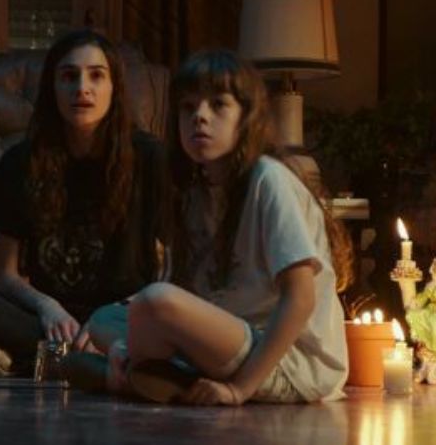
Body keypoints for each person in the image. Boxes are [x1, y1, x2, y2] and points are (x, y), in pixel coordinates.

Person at [0, 29, 168, 377]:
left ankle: (40, 358)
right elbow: (5, 275)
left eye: (96, 76)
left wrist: (114, 317)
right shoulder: (21, 161)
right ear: (52, 87)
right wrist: (47, 306)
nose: (82, 88)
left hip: (121, 317)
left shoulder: (150, 157)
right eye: (69, 76)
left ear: (115, 88)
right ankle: (76, 360)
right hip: (48, 322)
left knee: (164, 321)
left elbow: (171, 271)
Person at [121, 50, 353, 405]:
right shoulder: (193, 194)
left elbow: (301, 297)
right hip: (228, 342)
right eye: (187, 107)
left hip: (290, 361)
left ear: (246, 118)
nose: (199, 116)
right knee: (105, 320)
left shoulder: (268, 180)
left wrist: (239, 389)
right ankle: (144, 376)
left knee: (153, 302)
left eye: (218, 105)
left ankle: (131, 377)